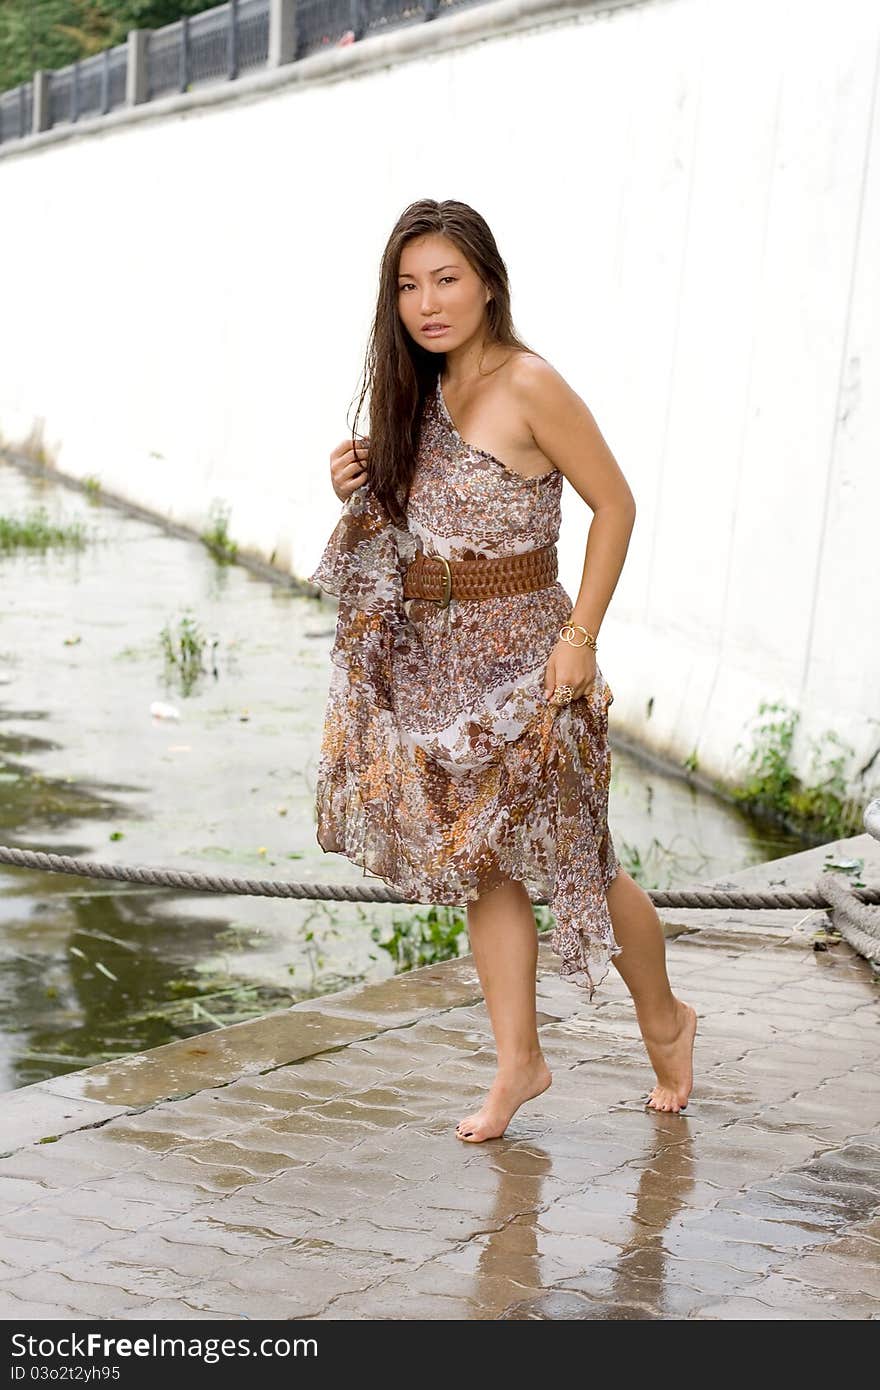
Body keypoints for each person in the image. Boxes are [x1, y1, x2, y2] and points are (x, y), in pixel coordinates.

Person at [308, 199, 697, 1141]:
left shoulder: (532, 384)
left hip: (533, 656)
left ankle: (665, 1018)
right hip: (438, 660)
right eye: (408, 286)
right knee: (483, 867)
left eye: (445, 279)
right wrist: (353, 482)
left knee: (585, 867)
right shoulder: (416, 394)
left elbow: (617, 507)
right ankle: (520, 1062)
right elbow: (418, 528)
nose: (428, 302)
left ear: (487, 281)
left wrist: (584, 639)